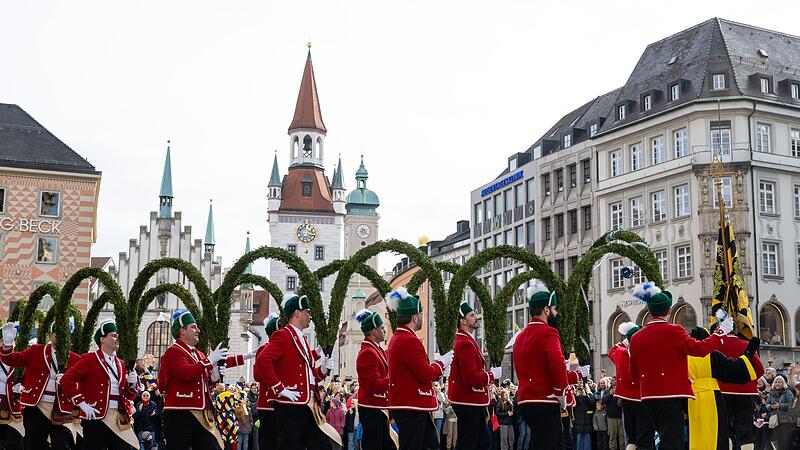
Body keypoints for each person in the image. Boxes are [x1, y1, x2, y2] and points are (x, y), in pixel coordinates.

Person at [628, 283, 732, 450]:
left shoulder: (636, 337)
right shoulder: (675, 331)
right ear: (669, 311)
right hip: (671, 395)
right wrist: (720, 333)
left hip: (647, 396)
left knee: (662, 439)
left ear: (649, 311)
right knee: (672, 443)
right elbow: (699, 349)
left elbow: (634, 372)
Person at [158, 309, 252, 450]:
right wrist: (209, 361)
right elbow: (186, 372)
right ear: (182, 330)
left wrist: (215, 375)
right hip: (180, 412)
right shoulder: (173, 352)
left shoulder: (198, 354)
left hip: (201, 413)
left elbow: (210, 369)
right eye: (193, 327)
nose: (198, 330)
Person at [255, 295, 339, 449]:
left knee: (322, 446)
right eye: (307, 311)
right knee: (289, 446)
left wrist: (323, 369)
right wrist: (279, 388)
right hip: (291, 405)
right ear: (297, 313)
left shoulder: (301, 338)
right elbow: (263, 361)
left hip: (306, 404)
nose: (310, 315)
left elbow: (308, 375)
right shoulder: (283, 334)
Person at [513, 281, 585, 450]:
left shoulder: (520, 336)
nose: (556, 313)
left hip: (526, 400)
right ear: (546, 310)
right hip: (545, 399)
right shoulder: (548, 332)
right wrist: (561, 392)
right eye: (554, 309)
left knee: (553, 443)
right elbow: (557, 365)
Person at [386, 287, 453, 450]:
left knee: (430, 444)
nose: (423, 317)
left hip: (411, 405)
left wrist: (439, 370)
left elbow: (417, 372)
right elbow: (425, 373)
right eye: (421, 314)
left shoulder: (400, 338)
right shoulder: (409, 340)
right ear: (415, 317)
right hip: (412, 406)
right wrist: (441, 363)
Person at [1, 319, 81, 450]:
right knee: (34, 444)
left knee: (62, 445)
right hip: (37, 406)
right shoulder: (36, 351)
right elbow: (11, 360)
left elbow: (86, 383)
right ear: (50, 335)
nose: (61, 338)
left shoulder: (76, 359)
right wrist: (8, 345)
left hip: (62, 408)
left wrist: (70, 383)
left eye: (65, 335)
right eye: (57, 334)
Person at [60, 320, 140, 449]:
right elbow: (66, 379)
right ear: (102, 339)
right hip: (95, 416)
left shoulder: (120, 363)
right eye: (113, 335)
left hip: (117, 417)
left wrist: (132, 384)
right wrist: (81, 403)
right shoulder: (89, 359)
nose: (117, 339)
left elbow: (127, 395)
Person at [685, 327, 763, 450]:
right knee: (738, 432)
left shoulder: (683, 356)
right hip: (717, 396)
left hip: (693, 397)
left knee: (705, 432)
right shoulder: (713, 353)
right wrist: (748, 353)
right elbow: (748, 369)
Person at [447, 300, 501, 450]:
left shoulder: (466, 340)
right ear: (463, 321)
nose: (475, 317)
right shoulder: (465, 342)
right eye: (471, 315)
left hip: (471, 400)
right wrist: (491, 375)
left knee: (482, 442)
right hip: (468, 401)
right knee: (468, 443)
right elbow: (470, 376)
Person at [711, 308, 765, 450]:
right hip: (745, 393)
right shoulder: (745, 344)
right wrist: (749, 381)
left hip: (721, 392)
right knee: (745, 431)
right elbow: (760, 370)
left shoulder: (714, 345)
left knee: (725, 430)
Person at [354, 307, 396, 449]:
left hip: (379, 406)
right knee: (374, 445)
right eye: (381, 328)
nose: (384, 330)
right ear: (374, 331)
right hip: (372, 407)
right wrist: (393, 381)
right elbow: (372, 384)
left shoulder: (376, 349)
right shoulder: (368, 352)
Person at [608, 322, 653, 450]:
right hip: (643, 398)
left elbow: (612, 351)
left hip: (626, 399)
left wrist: (625, 342)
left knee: (631, 436)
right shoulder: (646, 354)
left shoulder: (619, 353)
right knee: (645, 433)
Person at [253, 312, 279, 450]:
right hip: (267, 405)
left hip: (283, 404)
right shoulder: (264, 349)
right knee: (268, 442)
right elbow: (257, 375)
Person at [0, 327, 23, 450]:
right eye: (2, 340)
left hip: (14, 406)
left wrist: (23, 387)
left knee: (14, 443)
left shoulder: (20, 358)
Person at [766, 375, 794, 450]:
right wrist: (771, 407)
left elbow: (792, 405)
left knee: (787, 442)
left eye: (779, 382)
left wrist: (780, 406)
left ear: (783, 383)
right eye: (776, 382)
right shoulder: (771, 393)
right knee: (779, 441)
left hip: (786, 421)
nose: (777, 384)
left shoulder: (787, 392)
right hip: (775, 421)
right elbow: (766, 404)